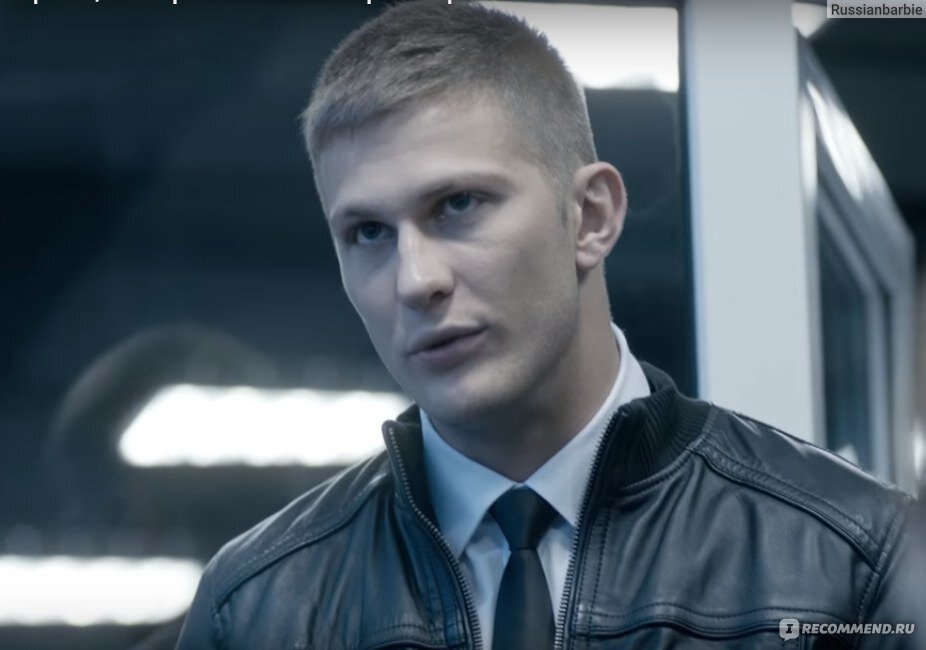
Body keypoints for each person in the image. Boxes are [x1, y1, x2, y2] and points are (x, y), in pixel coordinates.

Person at [176, 2, 923, 648]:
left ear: (590, 217)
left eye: (458, 205)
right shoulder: (257, 608)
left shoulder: (851, 561)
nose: (416, 280)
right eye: (368, 233)